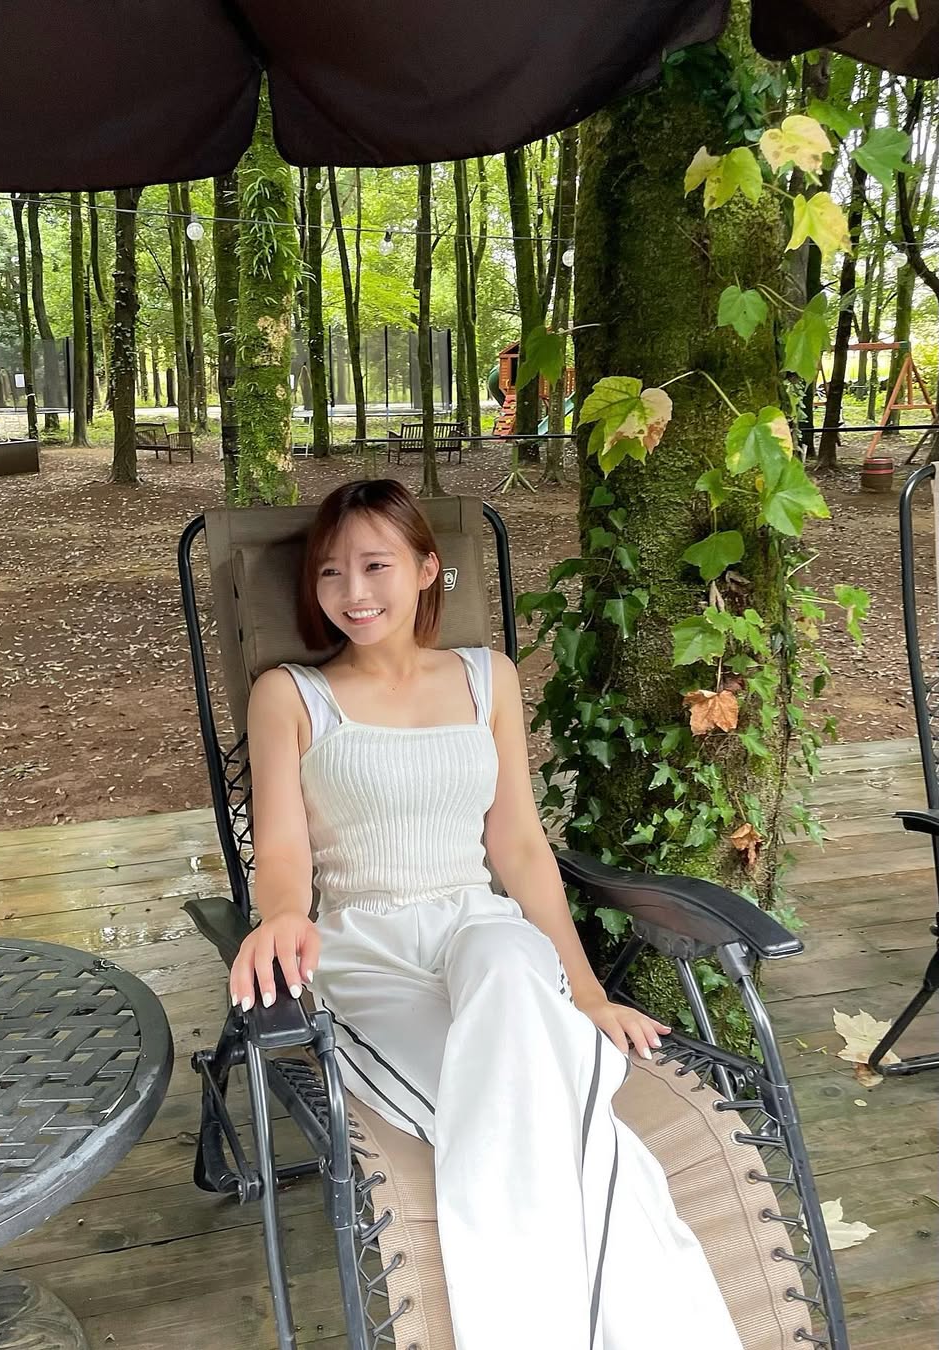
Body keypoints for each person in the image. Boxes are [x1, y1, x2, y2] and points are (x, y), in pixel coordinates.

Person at [229, 478, 743, 1350]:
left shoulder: (487, 678)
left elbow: (520, 846)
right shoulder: (291, 694)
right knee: (528, 1111)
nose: (352, 592)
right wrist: (282, 915)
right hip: (368, 947)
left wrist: (586, 994)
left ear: (428, 568)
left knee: (508, 972)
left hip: (479, 924)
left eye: (376, 566)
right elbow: (280, 854)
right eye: (329, 573)